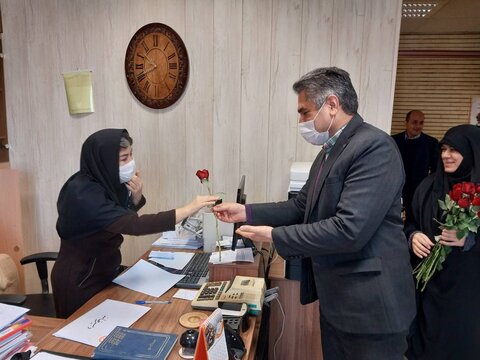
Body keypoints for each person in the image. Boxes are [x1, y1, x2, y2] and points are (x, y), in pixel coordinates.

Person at [214, 67, 416, 359]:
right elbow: (300, 206)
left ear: (332, 105)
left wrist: (274, 236)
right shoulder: (329, 152)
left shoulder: (374, 147)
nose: (301, 121)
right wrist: (245, 212)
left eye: (305, 112)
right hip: (339, 302)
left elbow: (349, 230)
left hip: (372, 308)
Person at [51, 128, 218, 318]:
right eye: (123, 159)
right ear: (104, 161)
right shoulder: (83, 194)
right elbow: (133, 225)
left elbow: (116, 219)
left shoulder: (102, 180)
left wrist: (135, 198)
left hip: (104, 271)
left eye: (131, 155)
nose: (131, 163)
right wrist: (189, 208)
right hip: (81, 281)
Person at [404, 124, 480, 360]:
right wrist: (412, 236)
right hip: (428, 288)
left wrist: (469, 240)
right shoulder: (428, 186)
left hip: (468, 293)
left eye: (454, 150)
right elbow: (410, 222)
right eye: (443, 149)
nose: (446, 155)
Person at [392, 110, 439, 221]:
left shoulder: (431, 143)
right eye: (414, 122)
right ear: (406, 122)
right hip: (396, 189)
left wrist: (428, 188)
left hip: (419, 191)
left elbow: (436, 170)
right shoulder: (393, 140)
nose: (418, 126)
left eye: (421, 123)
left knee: (414, 221)